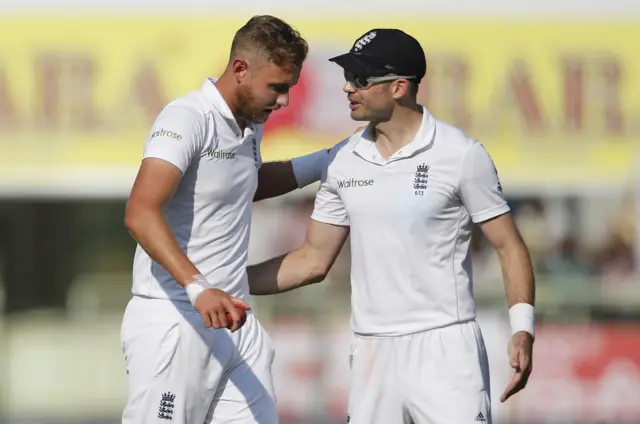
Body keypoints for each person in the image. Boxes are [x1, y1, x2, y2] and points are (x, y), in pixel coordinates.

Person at [247, 28, 536, 424]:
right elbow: (312, 261)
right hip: (371, 352)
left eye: (361, 79)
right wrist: (226, 281)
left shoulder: (462, 155)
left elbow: (509, 246)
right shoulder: (343, 159)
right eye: (348, 76)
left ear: (399, 87)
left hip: (446, 348)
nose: (348, 87)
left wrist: (523, 330)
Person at [121, 15, 347, 424]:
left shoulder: (249, 124)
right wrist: (197, 287)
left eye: (289, 89)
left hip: (236, 322)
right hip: (175, 320)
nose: (283, 102)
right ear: (241, 69)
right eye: (277, 88)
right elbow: (140, 211)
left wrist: (327, 161)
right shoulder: (187, 118)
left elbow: (244, 184)